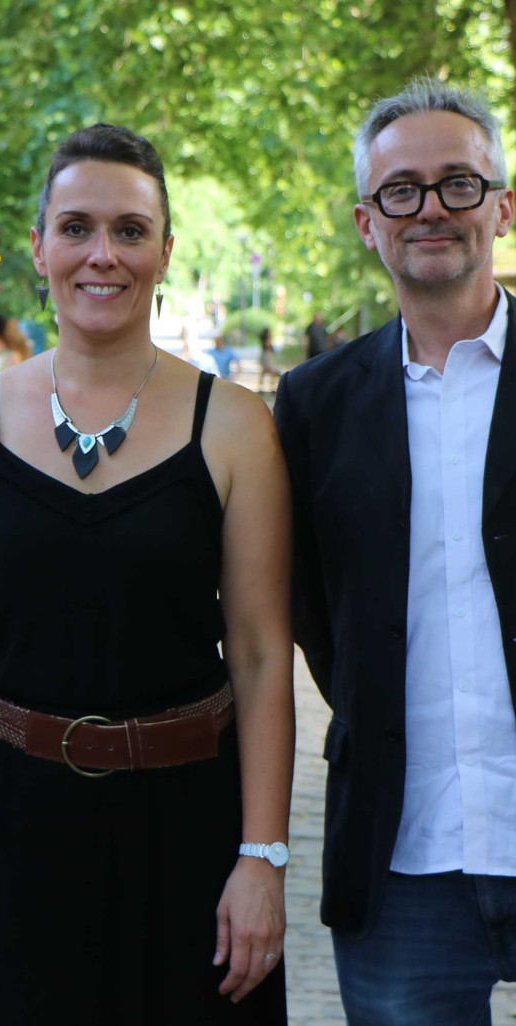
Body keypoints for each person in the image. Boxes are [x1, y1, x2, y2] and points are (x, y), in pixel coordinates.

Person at [0, 123, 294, 1023]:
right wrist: (9, 709)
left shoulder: (234, 426)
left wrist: (264, 855)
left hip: (190, 821)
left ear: (165, 251)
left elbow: (260, 656)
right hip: (12, 819)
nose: (103, 255)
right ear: (39, 246)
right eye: (77, 227)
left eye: (131, 231)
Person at [274, 79, 516, 1024]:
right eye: (401, 190)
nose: (432, 209)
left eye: (459, 183)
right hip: (401, 853)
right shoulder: (315, 404)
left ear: (502, 204)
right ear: (368, 223)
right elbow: (304, 610)